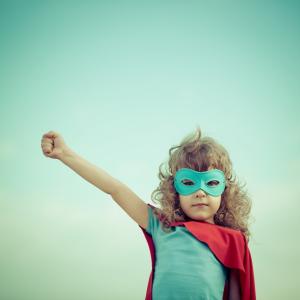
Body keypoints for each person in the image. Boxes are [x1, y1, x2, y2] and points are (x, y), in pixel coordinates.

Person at [41, 127, 256, 300]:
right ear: (175, 189)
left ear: (225, 190)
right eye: (189, 182)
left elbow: (239, 294)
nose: (200, 192)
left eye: (211, 182)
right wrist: (65, 154)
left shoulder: (234, 241)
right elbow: (115, 189)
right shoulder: (161, 226)